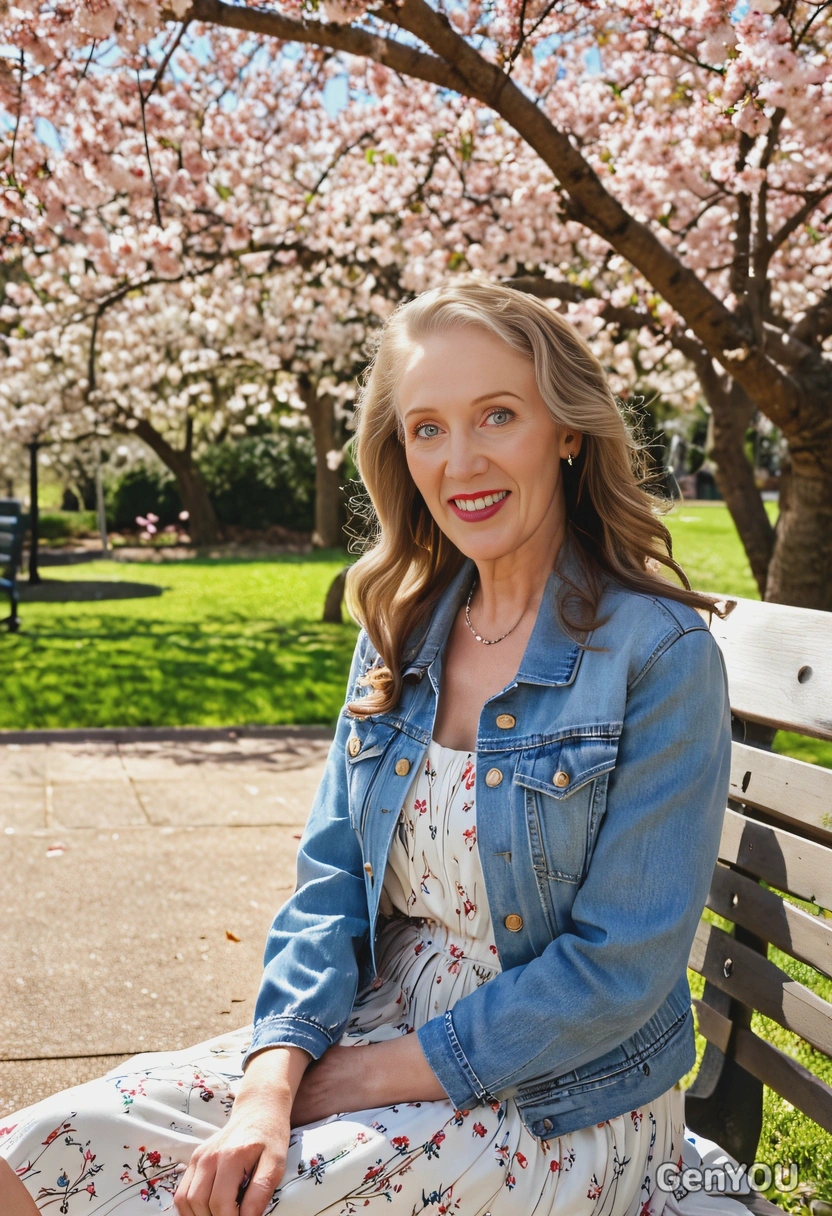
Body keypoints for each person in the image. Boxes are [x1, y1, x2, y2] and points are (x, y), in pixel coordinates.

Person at [0, 278, 750, 1216]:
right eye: (427, 428)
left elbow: (618, 973)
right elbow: (329, 884)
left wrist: (352, 1082)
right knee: (29, 1155)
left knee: (239, 1205)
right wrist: (272, 1085)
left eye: (497, 415)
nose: (460, 461)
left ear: (566, 430)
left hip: (564, 1096)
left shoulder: (658, 656)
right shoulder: (401, 630)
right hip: (369, 1023)